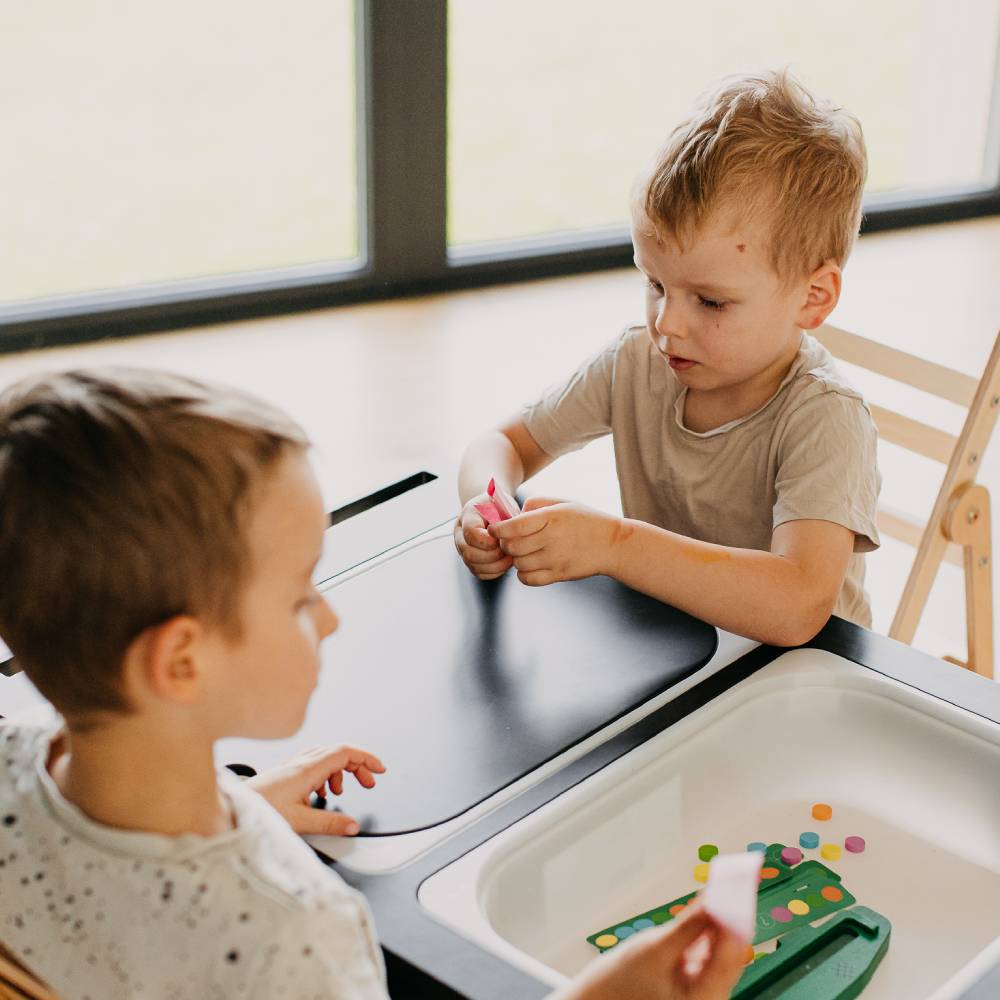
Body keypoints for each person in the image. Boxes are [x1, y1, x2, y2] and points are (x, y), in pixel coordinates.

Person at [0, 369, 746, 998]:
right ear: (182, 662)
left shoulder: (9, 762)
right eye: (299, 596)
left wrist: (240, 806)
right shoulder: (298, 939)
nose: (328, 618)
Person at [455, 70, 881, 646]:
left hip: (802, 686)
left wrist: (613, 544)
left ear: (814, 298)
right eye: (655, 284)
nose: (667, 324)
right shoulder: (638, 362)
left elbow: (797, 606)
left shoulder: (827, 419)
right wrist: (488, 507)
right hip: (678, 653)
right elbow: (501, 445)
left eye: (709, 301)